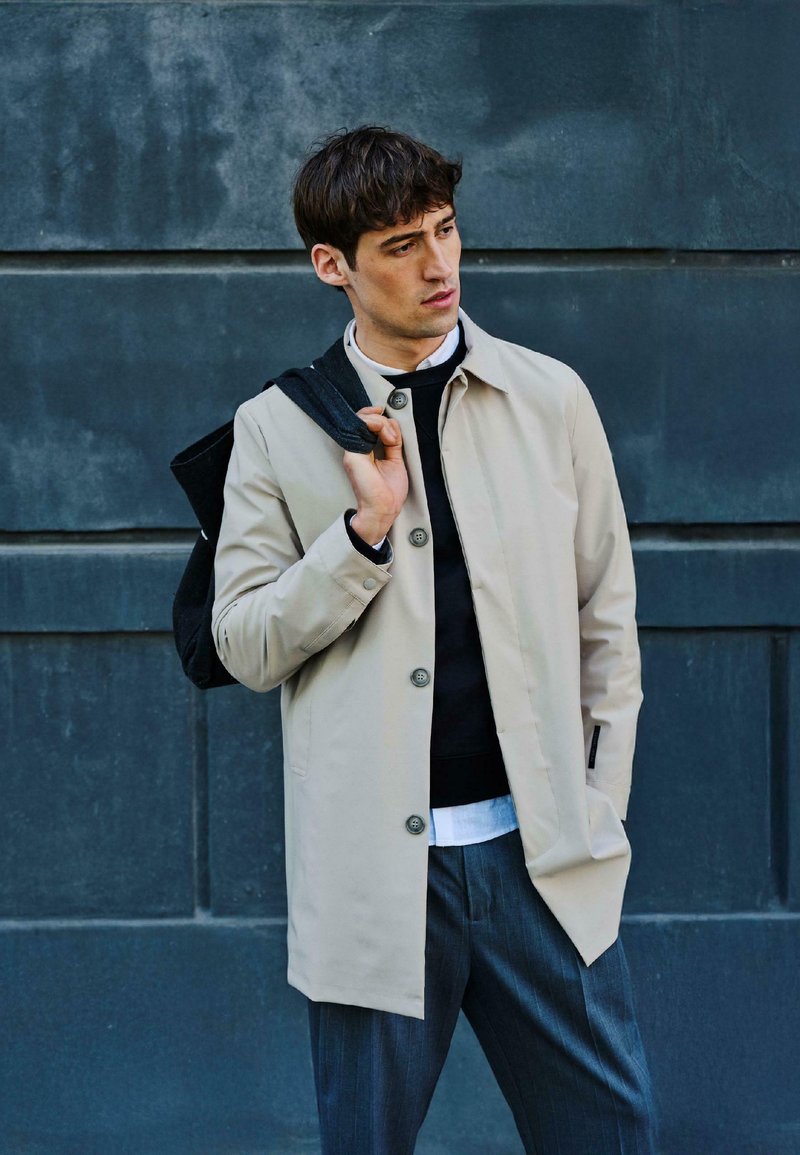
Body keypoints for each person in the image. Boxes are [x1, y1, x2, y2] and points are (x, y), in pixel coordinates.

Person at [211, 126, 657, 1154]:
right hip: (374, 881)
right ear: (333, 266)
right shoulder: (276, 428)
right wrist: (359, 536)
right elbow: (242, 643)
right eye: (401, 246)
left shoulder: (549, 398)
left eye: (445, 231)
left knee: (613, 1133)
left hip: (543, 860)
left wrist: (597, 808)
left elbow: (606, 620)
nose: (438, 264)